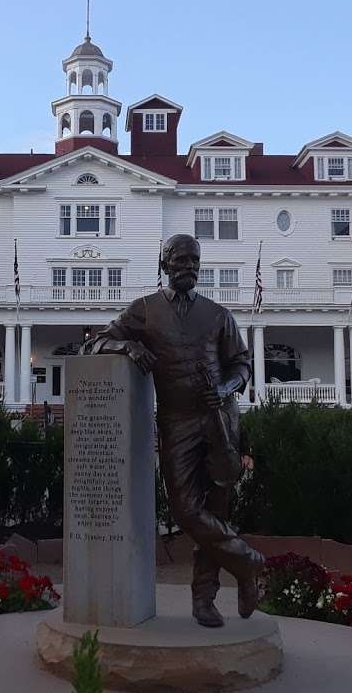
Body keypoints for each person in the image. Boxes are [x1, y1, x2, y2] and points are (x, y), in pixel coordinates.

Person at [82, 233, 263, 627]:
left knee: (217, 511)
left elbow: (242, 366)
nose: (189, 268)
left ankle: (205, 600)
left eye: (194, 261)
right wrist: (128, 348)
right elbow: (97, 341)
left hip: (220, 422)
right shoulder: (145, 310)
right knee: (186, 510)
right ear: (164, 264)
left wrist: (225, 388)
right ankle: (247, 562)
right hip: (176, 420)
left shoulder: (218, 314)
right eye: (180, 261)